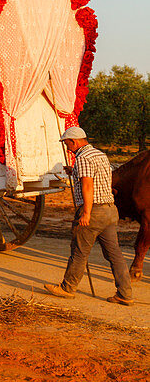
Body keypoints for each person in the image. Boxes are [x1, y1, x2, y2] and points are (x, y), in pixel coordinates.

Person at [44, 127, 134, 305]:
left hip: (94, 211)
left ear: (74, 141)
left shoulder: (83, 158)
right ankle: (125, 294)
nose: (67, 147)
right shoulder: (99, 154)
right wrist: (74, 171)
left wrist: (86, 212)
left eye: (67, 143)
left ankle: (67, 288)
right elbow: (98, 177)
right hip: (109, 210)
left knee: (79, 252)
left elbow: (87, 186)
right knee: (114, 254)